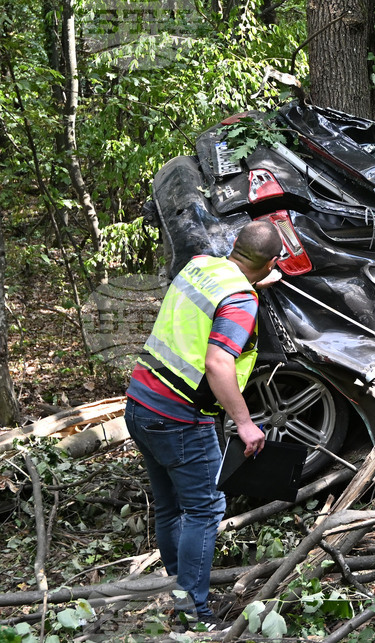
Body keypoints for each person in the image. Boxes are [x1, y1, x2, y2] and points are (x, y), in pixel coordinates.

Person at [124, 220, 283, 628]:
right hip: (179, 419)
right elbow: (217, 363)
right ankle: (193, 611)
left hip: (141, 403)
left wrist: (254, 282)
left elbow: (216, 294)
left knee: (170, 506)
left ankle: (179, 591)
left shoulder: (199, 266)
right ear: (268, 263)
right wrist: (245, 424)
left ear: (235, 246)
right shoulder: (240, 300)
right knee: (206, 508)